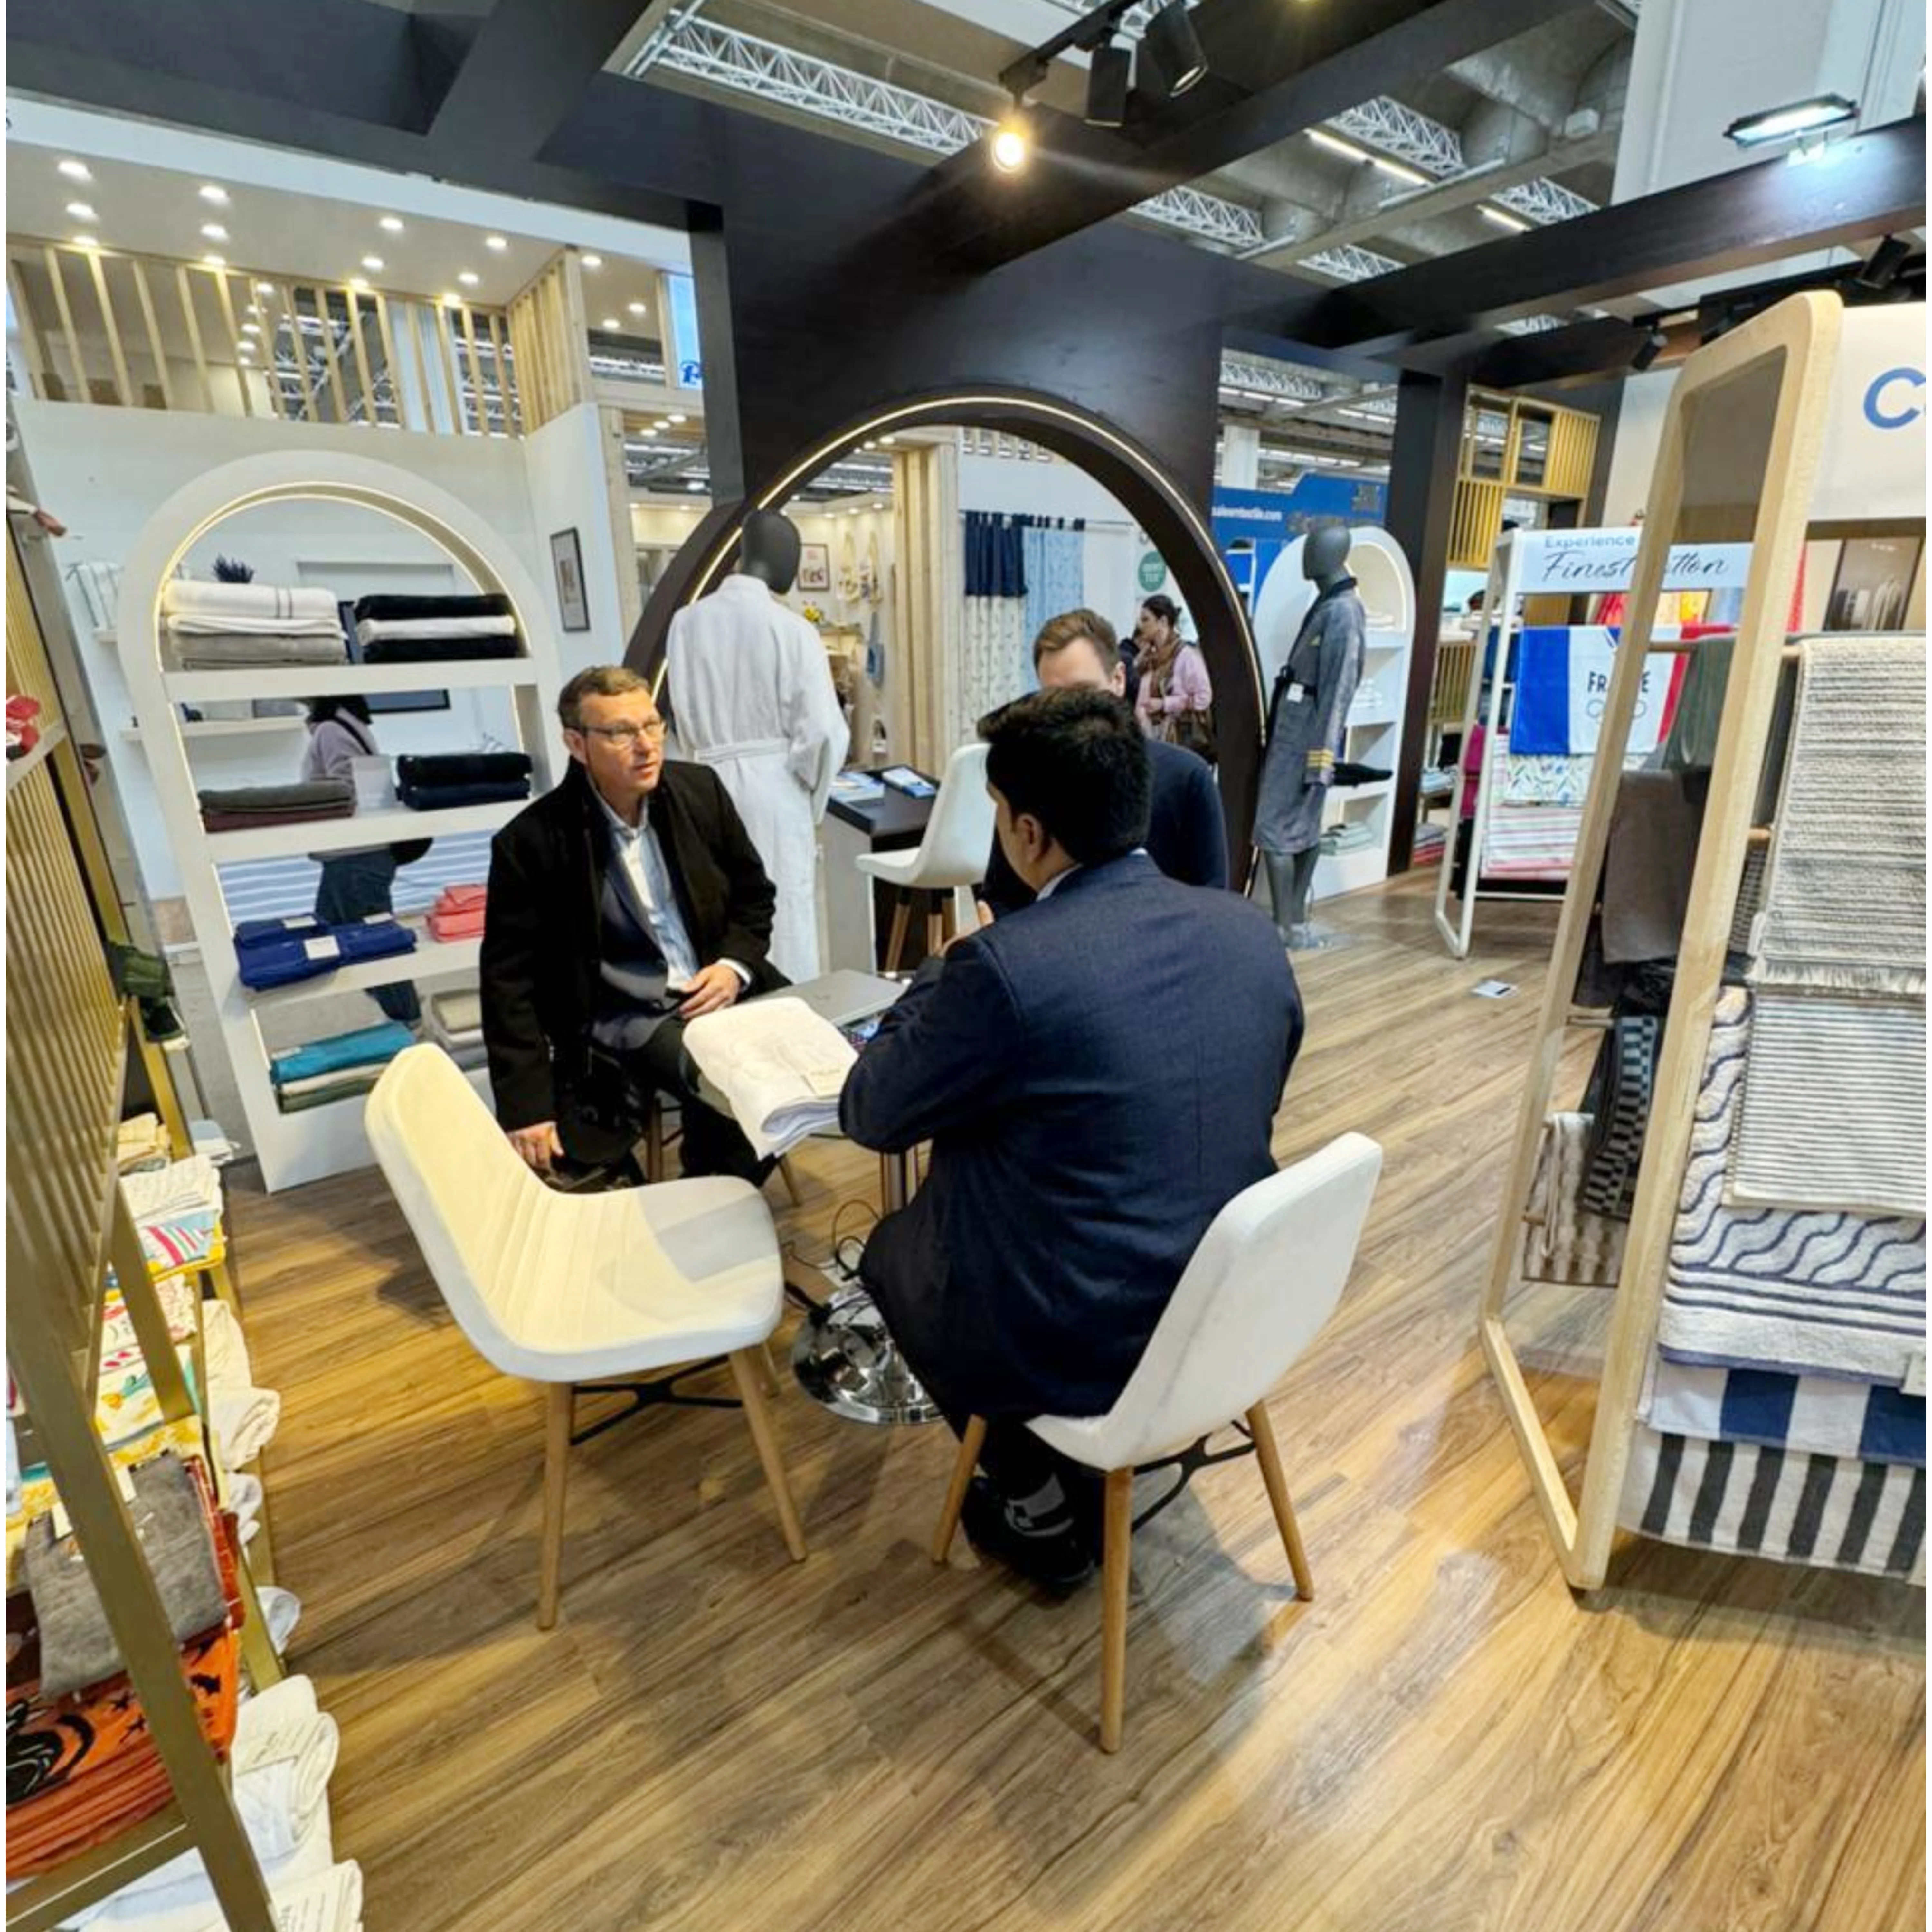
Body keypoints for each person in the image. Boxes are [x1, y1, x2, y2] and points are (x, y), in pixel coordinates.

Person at [842, 689, 1304, 1591]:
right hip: (1233, 1308)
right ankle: (1069, 1477)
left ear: (1025, 831)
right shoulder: (1249, 933)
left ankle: (1032, 1499)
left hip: (1091, 1341)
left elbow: (873, 1113)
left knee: (896, 1253)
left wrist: (939, 975)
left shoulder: (1006, 968)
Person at [480, 665, 785, 1186]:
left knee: (826, 1048)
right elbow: (509, 981)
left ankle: (717, 1190)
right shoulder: (532, 841)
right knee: (733, 1080)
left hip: (718, 983)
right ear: (577, 744)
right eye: (621, 733)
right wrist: (525, 1106)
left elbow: (755, 898)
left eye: (652, 724)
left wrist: (734, 967)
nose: (646, 745)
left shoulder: (699, 791)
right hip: (631, 1011)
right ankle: (713, 1203)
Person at [982, 609, 1226, 915]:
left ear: (1119, 679)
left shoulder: (1186, 779)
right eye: (1053, 698)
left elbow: (1210, 903)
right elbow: (1002, 898)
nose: (1072, 713)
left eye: (1083, 692)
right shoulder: (1028, 781)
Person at [301, 695, 418, 1027]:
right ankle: (401, 1012)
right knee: (338, 933)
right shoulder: (345, 723)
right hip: (354, 856)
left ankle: (409, 1021)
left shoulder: (331, 729)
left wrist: (300, 804)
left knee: (374, 946)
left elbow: (345, 787)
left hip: (354, 855)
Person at [1132, 593, 1214, 758]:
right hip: (1152, 740)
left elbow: (1204, 698)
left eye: (1146, 620)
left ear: (1163, 622)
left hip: (1178, 743)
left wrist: (1165, 704)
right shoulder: (1150, 657)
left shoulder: (1186, 656)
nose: (1141, 626)